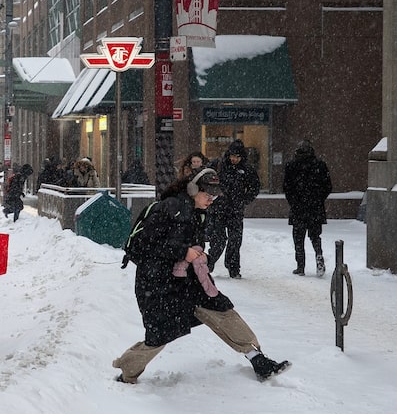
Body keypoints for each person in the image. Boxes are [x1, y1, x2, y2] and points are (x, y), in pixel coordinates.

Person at [112, 167, 290, 384]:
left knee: (221, 310)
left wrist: (195, 252)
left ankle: (258, 359)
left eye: (214, 196)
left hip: (189, 280)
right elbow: (147, 246)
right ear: (193, 189)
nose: (211, 200)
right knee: (160, 334)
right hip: (157, 283)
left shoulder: (198, 213)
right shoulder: (170, 208)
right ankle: (127, 372)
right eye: (208, 195)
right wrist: (182, 252)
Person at [207, 140, 260, 279]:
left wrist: (244, 200)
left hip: (235, 210)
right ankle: (209, 263)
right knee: (218, 240)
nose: (234, 159)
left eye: (237, 156)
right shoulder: (218, 165)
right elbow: (206, 179)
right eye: (232, 156)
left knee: (235, 240)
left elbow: (254, 187)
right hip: (218, 209)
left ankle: (233, 267)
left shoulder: (247, 170)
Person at [283, 139, 333, 276]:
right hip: (315, 208)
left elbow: (287, 187)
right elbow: (328, 186)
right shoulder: (320, 165)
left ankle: (300, 266)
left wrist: (294, 201)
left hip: (298, 208)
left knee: (298, 239)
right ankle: (318, 255)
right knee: (315, 236)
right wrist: (318, 199)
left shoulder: (292, 165)